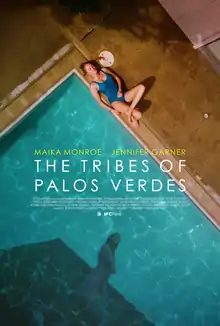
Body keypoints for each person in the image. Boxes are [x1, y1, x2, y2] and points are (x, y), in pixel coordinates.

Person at [80, 60, 145, 128]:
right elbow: (100, 102)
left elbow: (117, 78)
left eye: (92, 66)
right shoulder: (93, 86)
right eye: (89, 69)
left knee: (141, 87)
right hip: (116, 102)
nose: (93, 68)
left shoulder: (104, 70)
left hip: (122, 95)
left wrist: (119, 89)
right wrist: (112, 110)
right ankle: (131, 111)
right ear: (87, 73)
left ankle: (129, 112)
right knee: (138, 115)